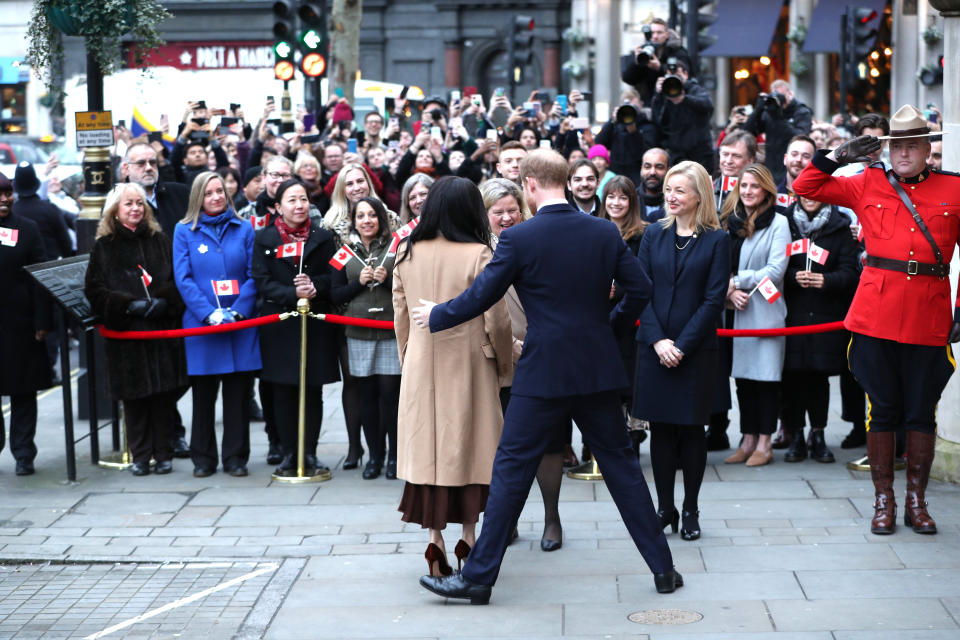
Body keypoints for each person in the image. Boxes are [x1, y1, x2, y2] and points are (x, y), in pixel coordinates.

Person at [414, 150, 682, 604]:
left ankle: (478, 579)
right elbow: (640, 289)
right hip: (596, 369)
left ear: (531, 185)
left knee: (511, 470)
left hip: (541, 373)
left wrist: (439, 314)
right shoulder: (602, 231)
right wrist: (608, 326)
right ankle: (664, 570)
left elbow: (482, 294)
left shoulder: (520, 238)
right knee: (622, 469)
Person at [793, 104, 960, 536]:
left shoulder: (953, 189)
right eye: (896, 146)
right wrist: (838, 154)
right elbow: (804, 184)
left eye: (912, 146)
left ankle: (916, 501)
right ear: (887, 151)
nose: (903, 153)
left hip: (929, 311)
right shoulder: (866, 181)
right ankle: (883, 501)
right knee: (882, 410)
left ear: (927, 150)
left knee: (922, 411)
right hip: (876, 315)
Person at [392, 176, 514, 580]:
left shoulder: (406, 251)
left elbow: (401, 315)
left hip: (421, 363)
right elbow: (496, 318)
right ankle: (468, 537)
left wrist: (408, 358)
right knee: (471, 452)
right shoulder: (480, 253)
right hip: (470, 364)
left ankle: (434, 540)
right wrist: (502, 364)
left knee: (429, 453)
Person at [633, 160, 730, 541]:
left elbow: (713, 300)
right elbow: (641, 289)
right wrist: (658, 340)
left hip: (695, 350)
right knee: (660, 430)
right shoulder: (653, 234)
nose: (671, 196)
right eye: (668, 190)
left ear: (698, 196)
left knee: (691, 431)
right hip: (654, 346)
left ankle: (690, 508)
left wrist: (682, 346)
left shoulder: (716, 240)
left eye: (680, 191)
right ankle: (665, 507)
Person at [481, 178, 563, 550]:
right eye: (498, 212)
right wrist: (507, 345)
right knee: (504, 447)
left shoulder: (537, 238)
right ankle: (507, 520)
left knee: (549, 443)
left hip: (544, 353)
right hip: (498, 360)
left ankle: (551, 518)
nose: (506, 218)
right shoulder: (479, 251)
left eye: (512, 210)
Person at [84, 183, 188, 476]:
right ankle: (141, 455)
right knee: (136, 400)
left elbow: (177, 278)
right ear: (115, 211)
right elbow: (95, 290)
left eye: (139, 203)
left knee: (163, 397)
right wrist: (128, 305)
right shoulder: (104, 246)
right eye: (128, 204)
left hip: (160, 330)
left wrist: (163, 300)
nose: (135, 209)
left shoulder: (159, 239)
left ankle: (164, 452)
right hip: (127, 334)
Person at [173, 171, 261, 477]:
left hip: (239, 325)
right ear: (199, 197)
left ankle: (236, 458)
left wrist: (239, 310)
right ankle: (203, 458)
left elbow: (253, 274)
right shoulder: (184, 230)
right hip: (203, 326)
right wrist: (208, 313)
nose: (216, 197)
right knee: (204, 397)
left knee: (238, 396)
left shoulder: (244, 228)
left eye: (220, 191)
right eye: (209, 193)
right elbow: (183, 279)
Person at [252, 178, 340, 475]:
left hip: (314, 324)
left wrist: (315, 288)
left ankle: (310, 452)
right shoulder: (265, 239)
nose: (299, 205)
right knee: (283, 392)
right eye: (291, 200)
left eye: (303, 199)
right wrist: (293, 294)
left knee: (312, 391)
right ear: (278, 207)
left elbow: (335, 276)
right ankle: (290, 453)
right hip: (280, 324)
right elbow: (262, 281)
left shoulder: (323, 237)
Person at [121, 142, 194, 458]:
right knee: (147, 377)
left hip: (178, 298)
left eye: (153, 161)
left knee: (181, 374)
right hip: (137, 304)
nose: (148, 167)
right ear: (126, 169)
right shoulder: (118, 202)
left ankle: (167, 430)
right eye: (140, 163)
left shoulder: (177, 193)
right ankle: (166, 435)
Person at [779, 194, 859, 464]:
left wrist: (825, 280)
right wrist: (793, 276)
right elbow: (776, 266)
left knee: (817, 379)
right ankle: (797, 435)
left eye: (815, 194)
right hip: (792, 316)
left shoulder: (839, 225)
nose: (809, 199)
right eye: (805, 194)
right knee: (792, 379)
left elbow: (851, 273)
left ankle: (819, 434)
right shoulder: (785, 222)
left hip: (825, 316)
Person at [720, 163, 790, 467]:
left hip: (764, 311)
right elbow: (718, 265)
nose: (748, 191)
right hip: (734, 311)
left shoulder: (779, 223)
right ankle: (747, 439)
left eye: (754, 186)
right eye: (744, 186)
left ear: (766, 190)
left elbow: (775, 272)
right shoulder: (728, 221)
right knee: (744, 380)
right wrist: (728, 290)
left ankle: (765, 442)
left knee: (766, 380)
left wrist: (739, 280)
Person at [330, 197, 402, 480]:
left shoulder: (396, 249)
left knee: (390, 396)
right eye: (361, 216)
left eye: (372, 215)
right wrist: (356, 283)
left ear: (381, 219)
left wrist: (386, 280)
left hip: (389, 331)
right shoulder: (344, 253)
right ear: (354, 221)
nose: (367, 220)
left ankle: (395, 456)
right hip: (358, 333)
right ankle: (375, 456)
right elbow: (335, 295)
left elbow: (409, 285)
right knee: (366, 396)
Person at [0, 172, 52, 476]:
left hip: (21, 325)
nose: (4, 199)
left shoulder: (28, 229)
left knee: (23, 392)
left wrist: (42, 321)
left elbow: (40, 278)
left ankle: (23, 454)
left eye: (7, 193)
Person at [599, 175, 651, 456]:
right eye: (611, 197)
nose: (616, 203)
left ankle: (633, 434)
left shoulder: (643, 234)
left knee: (630, 380)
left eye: (622, 197)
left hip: (631, 318)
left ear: (631, 202)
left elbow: (643, 277)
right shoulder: (594, 229)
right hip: (599, 318)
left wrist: (616, 289)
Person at [650, 58, 714, 172]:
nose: (674, 79)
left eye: (677, 75)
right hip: (677, 153)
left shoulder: (695, 89)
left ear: (686, 74)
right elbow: (656, 119)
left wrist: (684, 99)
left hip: (699, 153)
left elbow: (707, 105)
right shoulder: (664, 94)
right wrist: (658, 94)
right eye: (670, 76)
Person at [743, 80, 813, 185]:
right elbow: (748, 132)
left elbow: (801, 137)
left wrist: (778, 117)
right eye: (775, 95)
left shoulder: (801, 111)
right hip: (771, 164)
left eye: (781, 95)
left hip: (793, 165)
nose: (778, 98)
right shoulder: (771, 111)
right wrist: (758, 110)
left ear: (790, 94)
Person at [620, 17, 692, 104]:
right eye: (652, 33)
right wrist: (637, 61)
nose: (655, 36)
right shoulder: (643, 50)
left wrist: (660, 67)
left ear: (667, 34)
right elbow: (628, 78)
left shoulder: (677, 51)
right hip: (649, 102)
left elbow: (686, 75)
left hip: (673, 101)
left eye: (659, 32)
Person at [595, 100, 659, 185]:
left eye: (633, 107)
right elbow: (599, 143)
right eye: (626, 107)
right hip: (615, 172)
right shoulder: (615, 125)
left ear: (640, 105)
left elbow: (648, 151)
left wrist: (633, 132)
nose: (629, 111)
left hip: (636, 173)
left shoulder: (647, 126)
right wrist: (611, 121)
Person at [638, 147, 669, 222]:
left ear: (668, 170)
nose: (652, 172)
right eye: (647, 167)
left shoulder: (675, 203)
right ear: (641, 169)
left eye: (659, 167)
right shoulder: (629, 201)